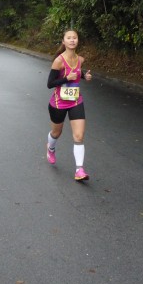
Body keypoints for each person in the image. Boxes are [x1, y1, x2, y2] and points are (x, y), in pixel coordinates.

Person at [46, 29, 92, 181]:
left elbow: (78, 73)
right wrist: (66, 78)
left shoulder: (80, 59)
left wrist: (85, 76)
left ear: (77, 41)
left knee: (79, 136)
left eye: (75, 38)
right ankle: (50, 148)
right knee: (56, 133)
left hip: (76, 101)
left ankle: (79, 170)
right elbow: (50, 83)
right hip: (58, 103)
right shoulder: (59, 61)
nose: (72, 40)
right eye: (69, 38)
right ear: (63, 41)